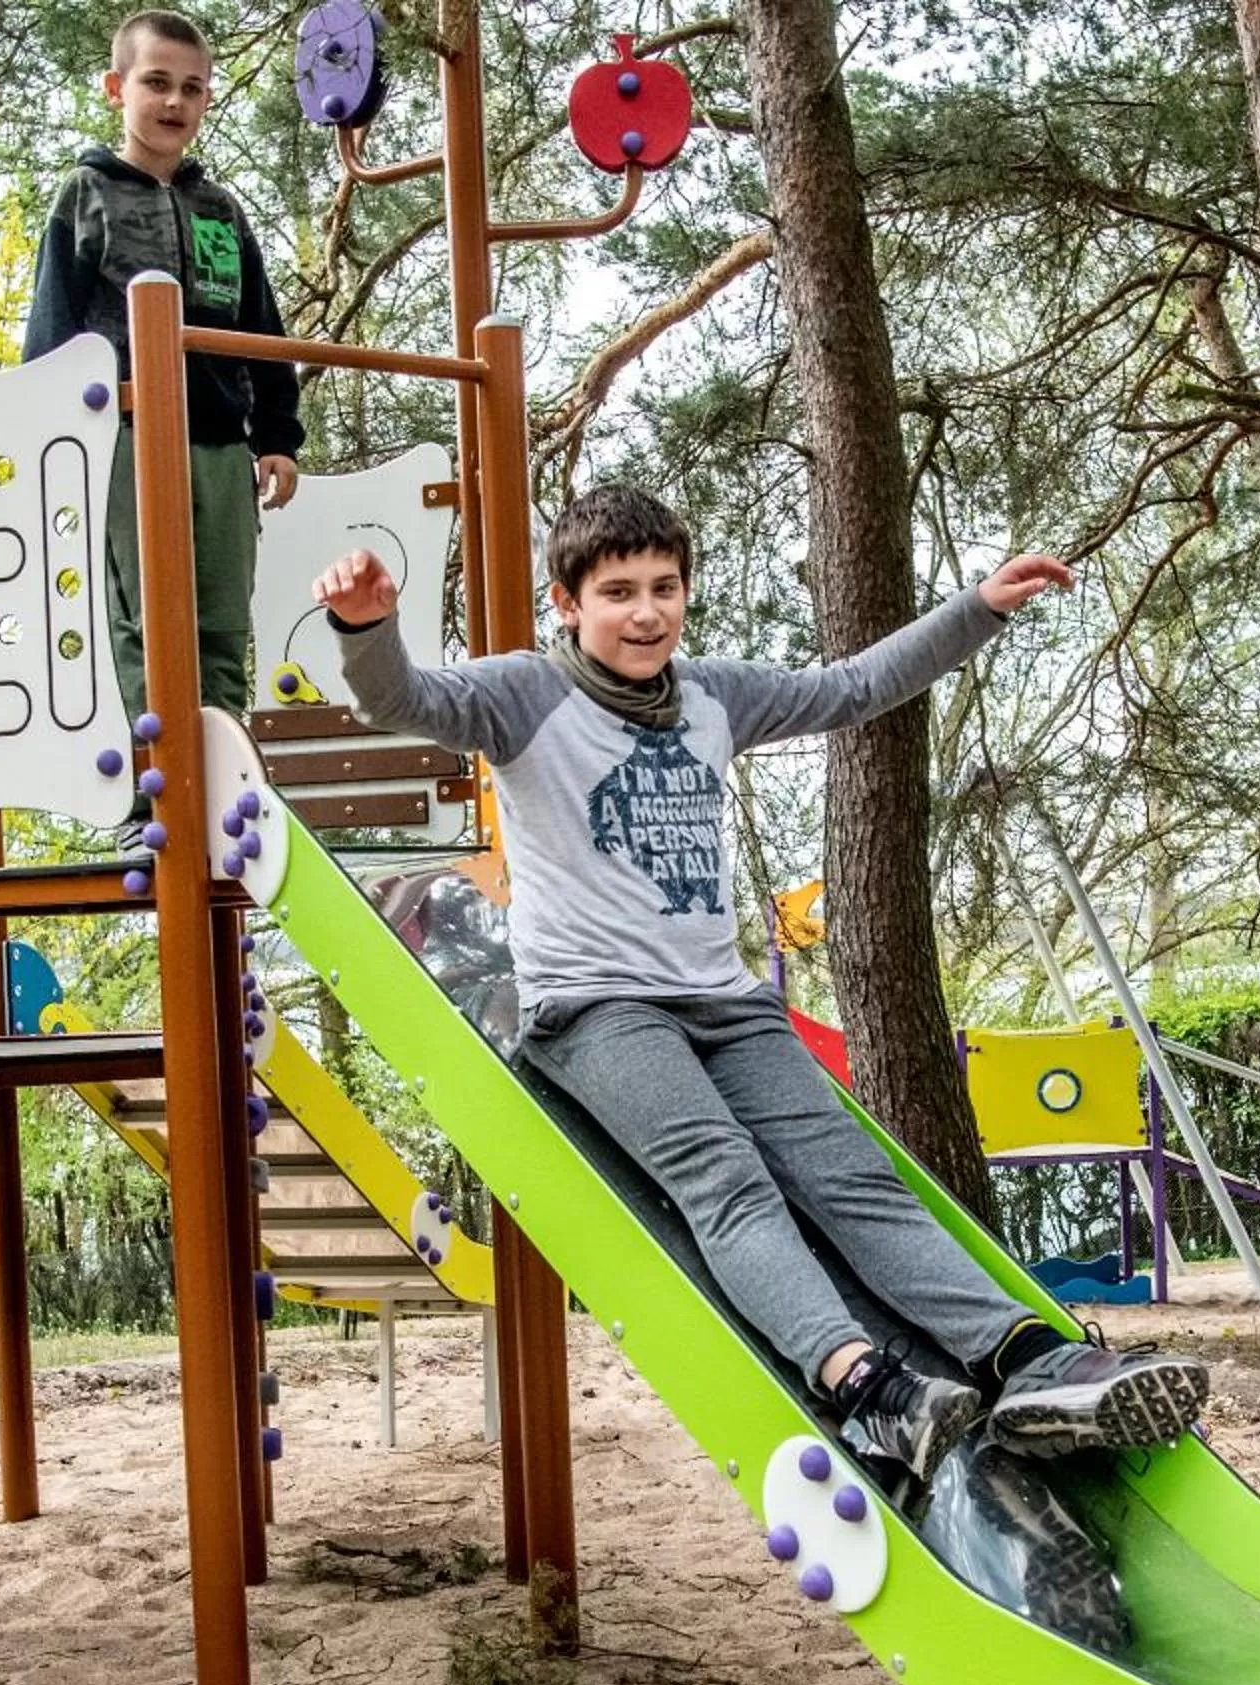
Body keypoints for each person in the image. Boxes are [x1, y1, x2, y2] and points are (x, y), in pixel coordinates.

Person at [312, 486, 1209, 1491]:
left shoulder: (712, 695)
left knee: (855, 1175)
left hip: (725, 1001)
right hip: (597, 1007)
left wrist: (979, 608)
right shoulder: (527, 695)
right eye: (618, 592)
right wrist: (367, 625)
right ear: (567, 603)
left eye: (664, 587)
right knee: (724, 1179)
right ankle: (865, 1383)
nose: (646, 611)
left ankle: (1021, 1356)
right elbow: (406, 701)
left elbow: (852, 688)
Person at [24, 9, 302, 755]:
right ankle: (150, 801)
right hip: (123, 437)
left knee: (220, 622)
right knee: (146, 619)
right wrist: (51, 442)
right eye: (156, 83)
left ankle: (221, 789)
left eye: (192, 88)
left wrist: (276, 436)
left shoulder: (221, 210)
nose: (174, 102)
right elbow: (50, 332)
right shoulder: (86, 195)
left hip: (217, 442)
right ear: (118, 88)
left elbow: (261, 331)